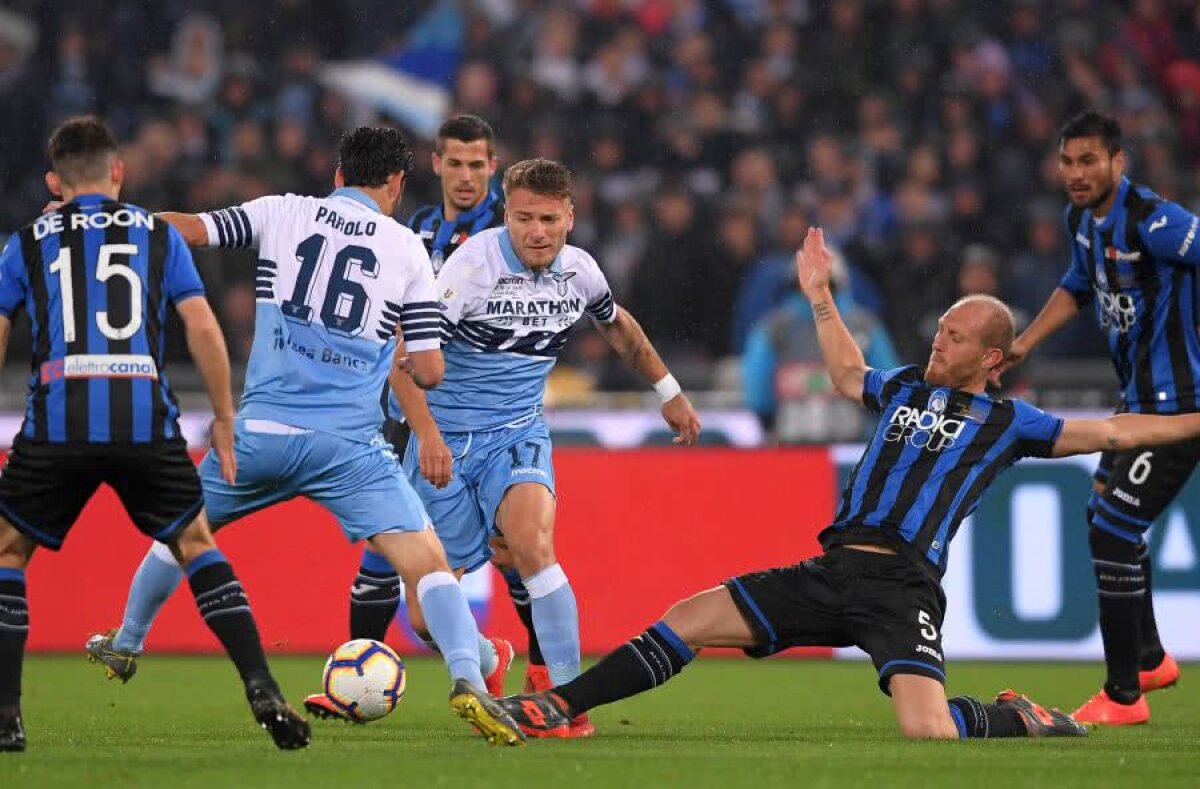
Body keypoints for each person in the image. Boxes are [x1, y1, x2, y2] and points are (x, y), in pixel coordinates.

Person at [499, 226, 1200, 741]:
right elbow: (844, 373)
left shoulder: (1012, 422)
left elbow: (1115, 432)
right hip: (830, 571)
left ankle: (1019, 718)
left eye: (955, 337)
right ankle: (557, 705)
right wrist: (820, 296)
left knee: (929, 729)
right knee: (688, 617)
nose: (938, 340)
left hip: (902, 587)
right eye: (940, 330)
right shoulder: (902, 386)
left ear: (992, 357)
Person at [81, 125, 524, 746]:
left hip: (260, 433)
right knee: (428, 566)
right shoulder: (406, 249)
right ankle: (470, 682)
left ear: (338, 175)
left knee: (181, 532)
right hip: (350, 449)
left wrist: (104, 223)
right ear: (397, 183)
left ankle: (126, 643)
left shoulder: (282, 212)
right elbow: (426, 370)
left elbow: (190, 230)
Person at [312, 158, 702, 738]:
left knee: (533, 545)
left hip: (517, 434)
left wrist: (668, 391)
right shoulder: (471, 270)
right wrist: (428, 435)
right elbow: (404, 360)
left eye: (548, 219)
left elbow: (618, 325)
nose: (536, 232)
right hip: (445, 441)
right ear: (506, 216)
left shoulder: (581, 272)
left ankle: (567, 703)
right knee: (423, 618)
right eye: (524, 219)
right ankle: (489, 658)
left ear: (570, 217)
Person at [0, 116, 309, 752]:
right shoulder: (157, 235)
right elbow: (202, 327)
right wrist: (223, 417)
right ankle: (261, 686)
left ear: (55, 182)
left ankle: (6, 715)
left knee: (8, 552)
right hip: (142, 412)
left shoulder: (26, 241)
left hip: (60, 414)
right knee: (195, 543)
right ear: (119, 172)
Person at [992, 111, 1195, 725]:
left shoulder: (1156, 221)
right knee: (1102, 513)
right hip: (1136, 402)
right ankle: (1150, 657)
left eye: (1088, 161)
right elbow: (1078, 286)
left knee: (1113, 530)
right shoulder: (1081, 221)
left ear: (1117, 162)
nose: (1076, 173)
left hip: (1180, 408)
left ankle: (1124, 695)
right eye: (1067, 161)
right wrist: (1024, 344)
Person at [347, 115, 544, 700]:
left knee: (512, 550)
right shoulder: (416, 229)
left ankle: (539, 672)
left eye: (477, 165)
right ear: (435, 164)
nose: (465, 176)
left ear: (493, 168)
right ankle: (356, 674)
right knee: (381, 544)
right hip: (404, 408)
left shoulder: (507, 233)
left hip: (477, 417)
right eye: (454, 163)